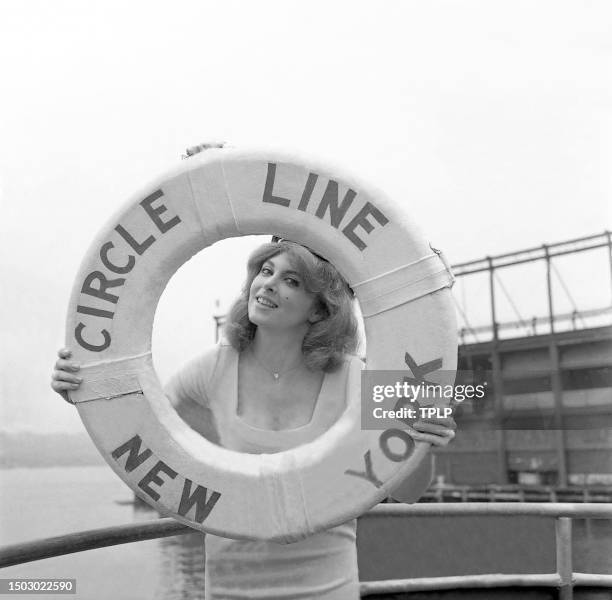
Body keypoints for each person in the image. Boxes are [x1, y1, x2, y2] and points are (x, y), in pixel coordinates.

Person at [52, 239, 456, 600]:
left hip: (327, 587)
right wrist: (86, 390)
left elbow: (406, 492)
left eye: (292, 281)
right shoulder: (211, 370)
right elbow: (139, 425)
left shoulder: (358, 378)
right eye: (266, 271)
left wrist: (425, 441)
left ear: (319, 310)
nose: (268, 284)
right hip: (232, 589)